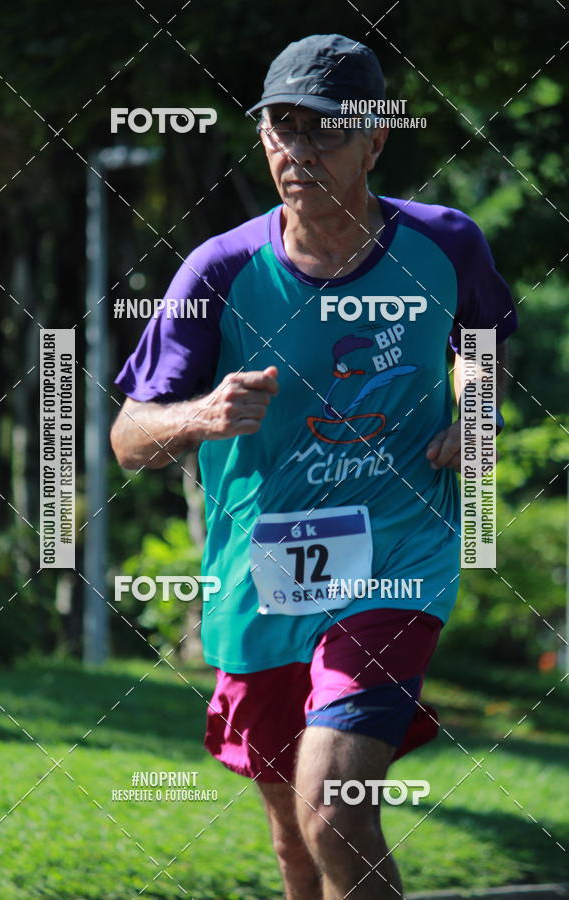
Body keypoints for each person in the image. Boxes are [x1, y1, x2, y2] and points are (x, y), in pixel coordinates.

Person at [111, 34, 518, 900]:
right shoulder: (217, 271)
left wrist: (476, 413)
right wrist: (202, 415)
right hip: (262, 577)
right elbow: (126, 438)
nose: (297, 150)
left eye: (324, 131)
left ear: (375, 140)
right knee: (298, 847)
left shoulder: (448, 245)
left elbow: (480, 347)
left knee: (334, 807)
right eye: (282, 127)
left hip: (398, 558)